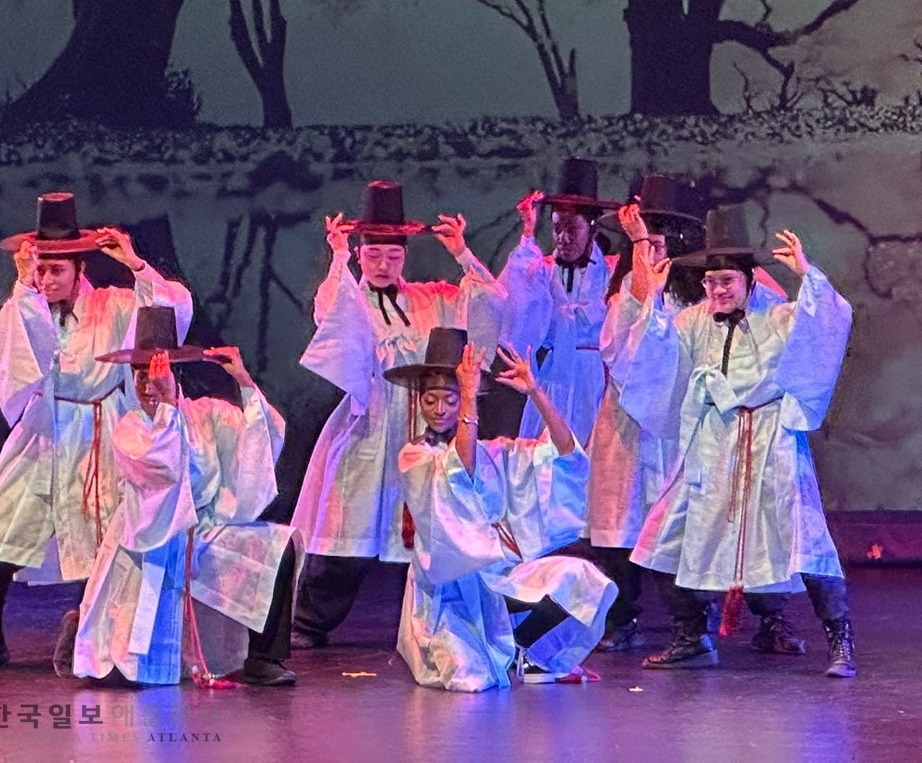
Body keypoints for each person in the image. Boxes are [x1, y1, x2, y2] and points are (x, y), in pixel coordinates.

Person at [0, 192, 193, 673]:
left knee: (105, 536)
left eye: (56, 270)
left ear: (80, 269)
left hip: (99, 429)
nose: (46, 280)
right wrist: (24, 288)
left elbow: (169, 313)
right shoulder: (26, 303)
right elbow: (15, 356)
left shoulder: (114, 305)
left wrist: (136, 265)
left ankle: (91, 631)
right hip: (44, 430)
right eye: (40, 269)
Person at [625, 205, 857, 677]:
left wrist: (808, 276)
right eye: (711, 282)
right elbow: (657, 351)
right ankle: (692, 636)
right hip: (713, 442)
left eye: (727, 280)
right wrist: (652, 296)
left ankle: (839, 639)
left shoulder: (777, 317)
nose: (718, 290)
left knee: (803, 537)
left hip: (770, 440)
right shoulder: (693, 320)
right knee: (662, 535)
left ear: (749, 280)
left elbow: (826, 323)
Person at [291, 180, 504, 648]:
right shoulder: (351, 298)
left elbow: (488, 304)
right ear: (361, 256)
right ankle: (310, 621)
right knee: (348, 522)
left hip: (427, 425)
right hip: (371, 422)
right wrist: (338, 256)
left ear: (405, 256)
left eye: (392, 256)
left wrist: (463, 254)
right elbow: (330, 314)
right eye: (373, 256)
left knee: (435, 523)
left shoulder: (430, 298)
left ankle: (444, 621)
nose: (383, 265)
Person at [73, 307, 300, 687]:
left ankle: (264, 658)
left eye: (158, 375)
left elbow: (259, 439)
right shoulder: (131, 427)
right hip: (152, 537)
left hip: (204, 532)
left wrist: (244, 381)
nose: (149, 385)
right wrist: (166, 409)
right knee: (128, 669)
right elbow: (162, 470)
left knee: (280, 544)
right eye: (141, 376)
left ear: (175, 375)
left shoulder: (207, 413)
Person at [389, 328, 615, 691]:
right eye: (430, 400)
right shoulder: (415, 456)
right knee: (470, 677)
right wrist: (467, 396)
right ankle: (499, 649)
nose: (439, 409)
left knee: (584, 578)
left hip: (499, 572)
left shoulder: (495, 452)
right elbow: (458, 471)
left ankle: (525, 649)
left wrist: (537, 393)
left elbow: (565, 455)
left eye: (449, 399)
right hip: (452, 586)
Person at [586, 175, 704, 652]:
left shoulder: (696, 300)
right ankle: (622, 619)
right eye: (642, 245)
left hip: (675, 431)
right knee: (618, 526)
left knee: (674, 528)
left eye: (656, 244)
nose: (650, 253)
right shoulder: (627, 296)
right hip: (627, 429)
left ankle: (690, 626)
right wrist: (638, 250)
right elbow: (627, 342)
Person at [497, 158, 621, 447]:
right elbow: (513, 298)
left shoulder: (611, 271)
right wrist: (528, 234)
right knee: (545, 450)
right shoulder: (541, 270)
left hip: (595, 377)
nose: (563, 238)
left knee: (594, 451)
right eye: (557, 229)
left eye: (572, 229)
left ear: (592, 227)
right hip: (553, 376)